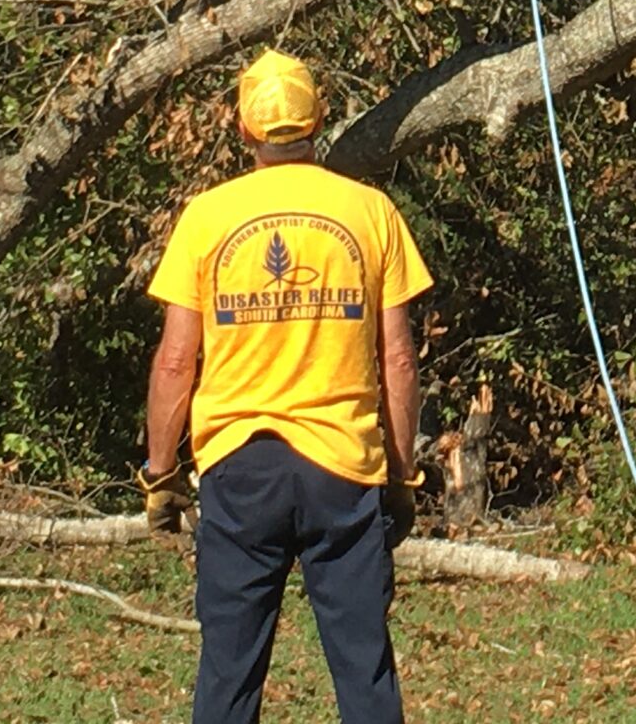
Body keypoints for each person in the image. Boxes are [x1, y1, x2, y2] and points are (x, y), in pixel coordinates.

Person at [140, 49, 432, 724]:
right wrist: (401, 474)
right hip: (343, 467)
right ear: (320, 121)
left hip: (241, 469)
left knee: (228, 676)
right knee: (364, 672)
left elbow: (175, 364)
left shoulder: (208, 217)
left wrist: (161, 474)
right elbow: (398, 360)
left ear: (242, 130)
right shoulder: (371, 211)